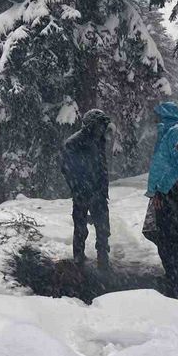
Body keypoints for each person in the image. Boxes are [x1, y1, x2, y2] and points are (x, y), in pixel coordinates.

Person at [145, 102, 178, 299]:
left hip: (171, 194)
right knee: (166, 237)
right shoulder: (169, 132)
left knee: (169, 238)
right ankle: (173, 277)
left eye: (157, 115)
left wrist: (161, 190)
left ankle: (176, 282)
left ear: (165, 115)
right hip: (168, 193)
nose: (154, 119)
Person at [61, 109, 112, 270]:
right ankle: (79, 257)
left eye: (103, 125)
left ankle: (103, 257)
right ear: (91, 125)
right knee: (81, 226)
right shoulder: (74, 142)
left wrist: (102, 187)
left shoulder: (99, 140)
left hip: (98, 191)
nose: (102, 128)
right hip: (82, 192)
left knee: (103, 226)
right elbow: (67, 168)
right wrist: (79, 187)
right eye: (99, 125)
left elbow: (100, 165)